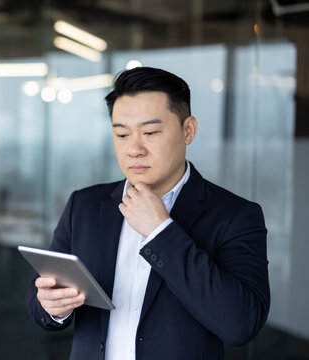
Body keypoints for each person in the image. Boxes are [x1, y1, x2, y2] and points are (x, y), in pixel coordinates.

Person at [26, 67, 270, 360]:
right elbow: (40, 296)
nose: (134, 149)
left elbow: (241, 324)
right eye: (122, 134)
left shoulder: (235, 215)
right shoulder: (86, 205)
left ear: (188, 130)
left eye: (150, 132)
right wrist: (53, 307)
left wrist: (161, 231)